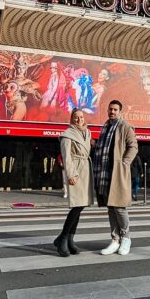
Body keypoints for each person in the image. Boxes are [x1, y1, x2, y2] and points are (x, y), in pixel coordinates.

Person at [93, 100, 138, 256]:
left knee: (119, 207)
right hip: (105, 173)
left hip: (117, 172)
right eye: (110, 109)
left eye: (115, 109)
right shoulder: (105, 128)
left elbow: (133, 146)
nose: (112, 112)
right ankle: (115, 239)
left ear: (120, 111)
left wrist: (124, 163)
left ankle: (126, 238)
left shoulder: (125, 127)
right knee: (111, 207)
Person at [53, 108, 94, 257]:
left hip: (85, 170)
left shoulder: (87, 132)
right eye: (76, 117)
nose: (79, 120)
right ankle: (63, 238)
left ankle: (69, 239)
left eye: (81, 117)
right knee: (77, 206)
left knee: (81, 205)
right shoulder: (67, 135)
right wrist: (71, 174)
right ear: (71, 119)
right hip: (76, 170)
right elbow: (66, 156)